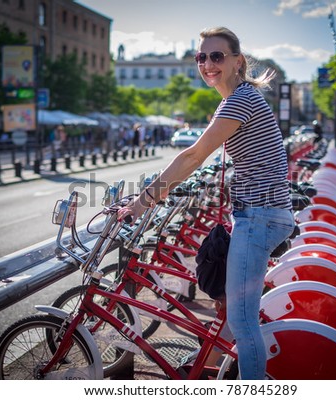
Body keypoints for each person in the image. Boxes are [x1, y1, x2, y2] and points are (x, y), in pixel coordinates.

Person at [118, 26, 295, 380]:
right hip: (261, 214)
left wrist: (143, 202)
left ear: (237, 62)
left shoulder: (241, 100)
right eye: (202, 56)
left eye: (217, 56)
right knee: (235, 312)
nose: (207, 64)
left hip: (260, 218)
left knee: (242, 323)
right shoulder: (236, 99)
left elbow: (193, 156)